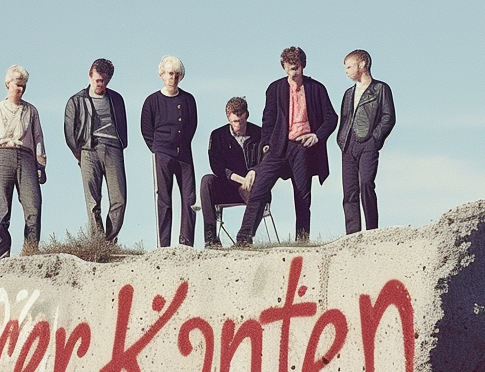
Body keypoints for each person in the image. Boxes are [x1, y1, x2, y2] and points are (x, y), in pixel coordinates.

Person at [236, 46, 337, 246]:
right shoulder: (275, 88)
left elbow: (331, 118)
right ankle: (244, 239)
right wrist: (266, 144)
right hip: (278, 147)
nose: (294, 72)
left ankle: (302, 241)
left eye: (297, 68)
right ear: (284, 68)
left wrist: (317, 136)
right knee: (259, 189)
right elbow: (268, 119)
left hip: (303, 147)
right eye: (290, 68)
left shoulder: (316, 88)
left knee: (302, 194)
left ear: (303, 66)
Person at [0, 65, 48, 259]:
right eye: (17, 85)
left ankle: (30, 252)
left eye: (23, 85)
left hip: (26, 157)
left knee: (33, 205)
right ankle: (3, 255)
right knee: (3, 207)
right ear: (8, 84)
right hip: (1, 156)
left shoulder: (31, 111)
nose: (21, 89)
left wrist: (41, 165)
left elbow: (38, 138)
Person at [64, 58, 129, 242]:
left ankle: (109, 239)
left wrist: (121, 144)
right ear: (90, 76)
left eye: (105, 80)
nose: (101, 84)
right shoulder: (76, 101)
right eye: (98, 79)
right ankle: (98, 242)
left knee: (119, 199)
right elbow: (69, 131)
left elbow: (123, 124)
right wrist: (80, 153)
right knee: (93, 200)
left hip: (113, 148)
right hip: (88, 150)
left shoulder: (116, 98)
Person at [140, 55, 198, 247]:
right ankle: (163, 244)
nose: (172, 77)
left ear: (181, 76)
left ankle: (186, 241)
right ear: (162, 75)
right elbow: (146, 129)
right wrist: (158, 149)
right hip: (162, 153)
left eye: (176, 74)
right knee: (164, 199)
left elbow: (192, 125)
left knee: (190, 197)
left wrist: (182, 144)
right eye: (169, 73)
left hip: (184, 155)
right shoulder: (152, 101)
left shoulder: (188, 99)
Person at [337, 49, 395, 233]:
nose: (346, 70)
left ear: (362, 65)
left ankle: (372, 231)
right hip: (348, 144)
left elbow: (388, 117)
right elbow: (344, 119)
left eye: (349, 66)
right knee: (349, 191)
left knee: (366, 184)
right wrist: (341, 140)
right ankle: (352, 235)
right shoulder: (348, 93)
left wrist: (375, 139)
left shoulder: (380, 89)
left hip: (368, 142)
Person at [199, 97, 263, 248]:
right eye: (234, 121)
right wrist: (240, 179)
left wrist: (255, 172)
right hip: (228, 186)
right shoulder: (217, 136)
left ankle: (244, 238)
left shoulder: (259, 134)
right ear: (228, 117)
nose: (238, 124)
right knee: (206, 181)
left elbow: (269, 162)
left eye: (241, 120)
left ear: (246, 115)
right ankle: (211, 238)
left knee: (263, 187)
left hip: (254, 188)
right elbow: (217, 166)